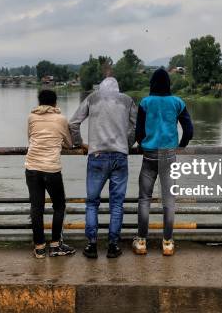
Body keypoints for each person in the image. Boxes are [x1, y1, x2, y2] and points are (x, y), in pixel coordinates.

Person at [69, 77, 137, 258]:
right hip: (120, 156)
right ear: (118, 88)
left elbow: (73, 123)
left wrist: (80, 144)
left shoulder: (93, 98)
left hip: (96, 155)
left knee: (92, 203)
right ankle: (113, 246)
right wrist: (127, 145)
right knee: (117, 204)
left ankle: (91, 245)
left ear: (100, 88)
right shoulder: (127, 100)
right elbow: (136, 126)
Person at [133, 68, 193, 256]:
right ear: (169, 83)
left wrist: (143, 145)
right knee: (169, 200)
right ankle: (167, 243)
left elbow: (139, 132)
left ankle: (142, 241)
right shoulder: (177, 102)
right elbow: (189, 129)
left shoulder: (145, 102)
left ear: (152, 83)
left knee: (144, 199)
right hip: (169, 154)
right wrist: (181, 145)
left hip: (149, 154)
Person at [25, 89, 76, 258]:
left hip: (32, 167)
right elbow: (69, 143)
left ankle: (39, 247)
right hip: (51, 169)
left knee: (37, 208)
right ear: (55, 103)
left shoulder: (31, 117)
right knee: (59, 206)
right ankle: (55, 245)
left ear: (39, 102)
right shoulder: (61, 119)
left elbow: (30, 138)